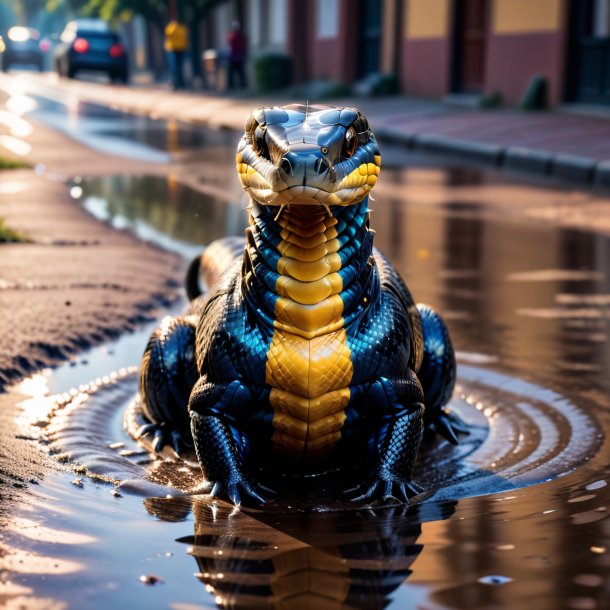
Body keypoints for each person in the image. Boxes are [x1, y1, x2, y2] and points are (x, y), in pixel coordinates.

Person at [165, 18, 189, 90]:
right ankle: (175, 83)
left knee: (179, 67)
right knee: (174, 67)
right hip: (172, 49)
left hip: (180, 49)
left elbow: (184, 36)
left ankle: (181, 83)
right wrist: (173, 27)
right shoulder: (170, 27)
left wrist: (173, 27)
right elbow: (168, 33)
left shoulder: (182, 28)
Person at [226, 20, 247, 90]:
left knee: (237, 73)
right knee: (237, 73)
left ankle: (236, 86)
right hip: (236, 57)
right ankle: (239, 85)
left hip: (236, 57)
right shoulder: (240, 36)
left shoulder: (235, 36)